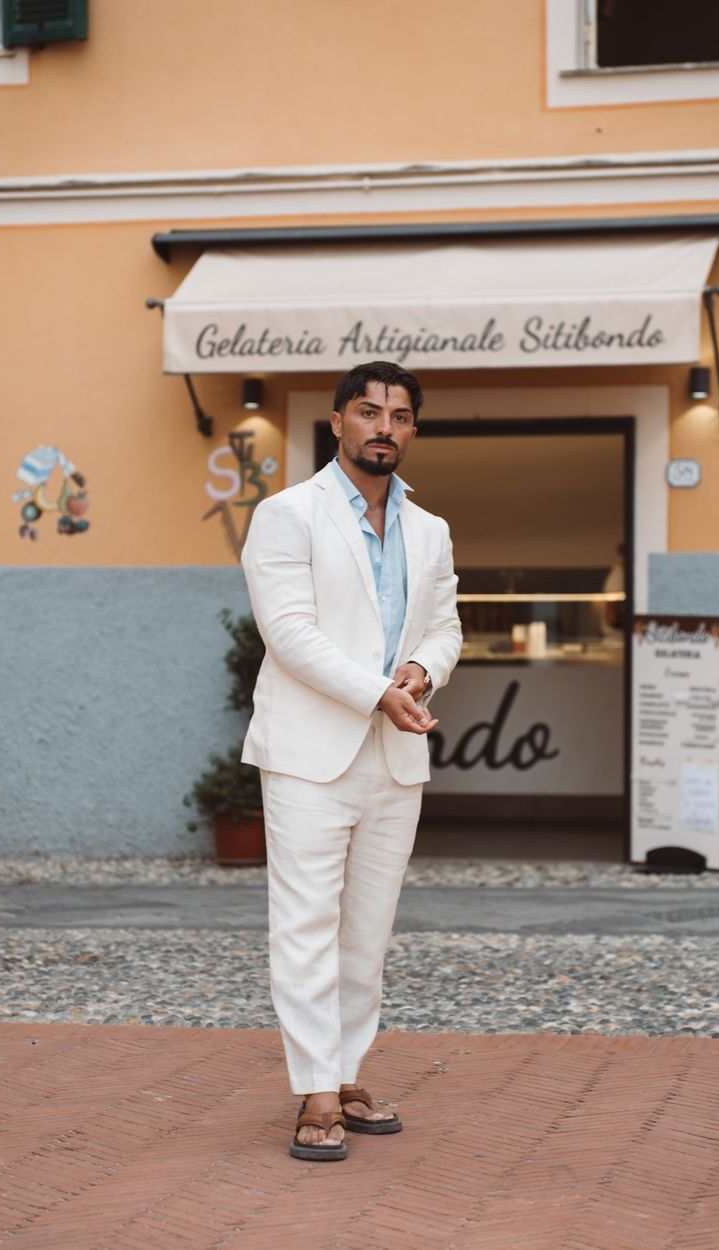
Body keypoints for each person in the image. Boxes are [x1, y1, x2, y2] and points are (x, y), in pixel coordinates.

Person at [240, 360, 462, 1161]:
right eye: (369, 412)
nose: (384, 428)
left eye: (400, 416)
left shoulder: (429, 530)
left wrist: (422, 672)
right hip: (308, 755)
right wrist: (377, 692)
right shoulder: (286, 515)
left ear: (412, 430)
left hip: (393, 757)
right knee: (304, 925)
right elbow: (290, 635)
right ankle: (317, 1093)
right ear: (337, 422)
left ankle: (344, 1070)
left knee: (365, 933)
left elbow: (446, 627)